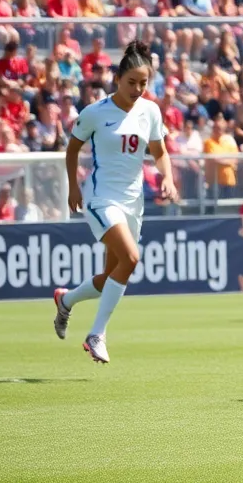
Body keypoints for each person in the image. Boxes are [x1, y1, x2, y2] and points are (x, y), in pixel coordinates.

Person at [52, 42, 178, 363]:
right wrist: (73, 188)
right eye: (131, 82)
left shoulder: (150, 111)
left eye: (143, 82)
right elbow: (72, 149)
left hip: (133, 202)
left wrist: (168, 178)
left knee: (112, 274)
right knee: (132, 258)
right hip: (101, 197)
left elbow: (160, 153)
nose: (137, 88)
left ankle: (66, 300)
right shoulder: (95, 112)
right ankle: (97, 334)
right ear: (117, 78)